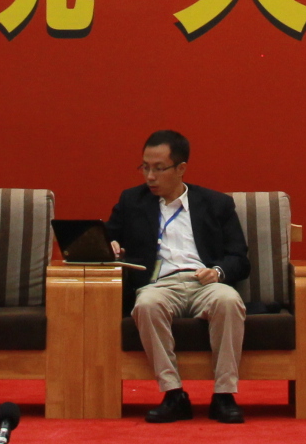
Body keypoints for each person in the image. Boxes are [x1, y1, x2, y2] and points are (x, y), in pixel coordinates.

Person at [107, 129, 250, 424]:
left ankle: (224, 395)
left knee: (228, 301)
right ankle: (173, 394)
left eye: (159, 168)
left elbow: (239, 257)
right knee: (146, 305)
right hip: (159, 284)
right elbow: (106, 237)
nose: (150, 177)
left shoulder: (216, 204)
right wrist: (110, 244)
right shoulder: (132, 201)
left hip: (204, 282)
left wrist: (218, 272)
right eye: (145, 167)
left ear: (181, 168)